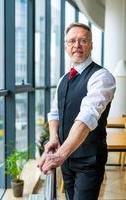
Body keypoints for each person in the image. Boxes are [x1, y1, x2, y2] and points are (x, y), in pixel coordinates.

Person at [38, 22, 116, 200]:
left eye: (83, 40)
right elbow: (54, 114)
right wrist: (53, 138)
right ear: (66, 46)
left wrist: (60, 155)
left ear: (91, 45)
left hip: (89, 160)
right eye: (72, 41)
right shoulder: (63, 80)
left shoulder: (102, 77)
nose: (77, 45)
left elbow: (86, 118)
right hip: (67, 158)